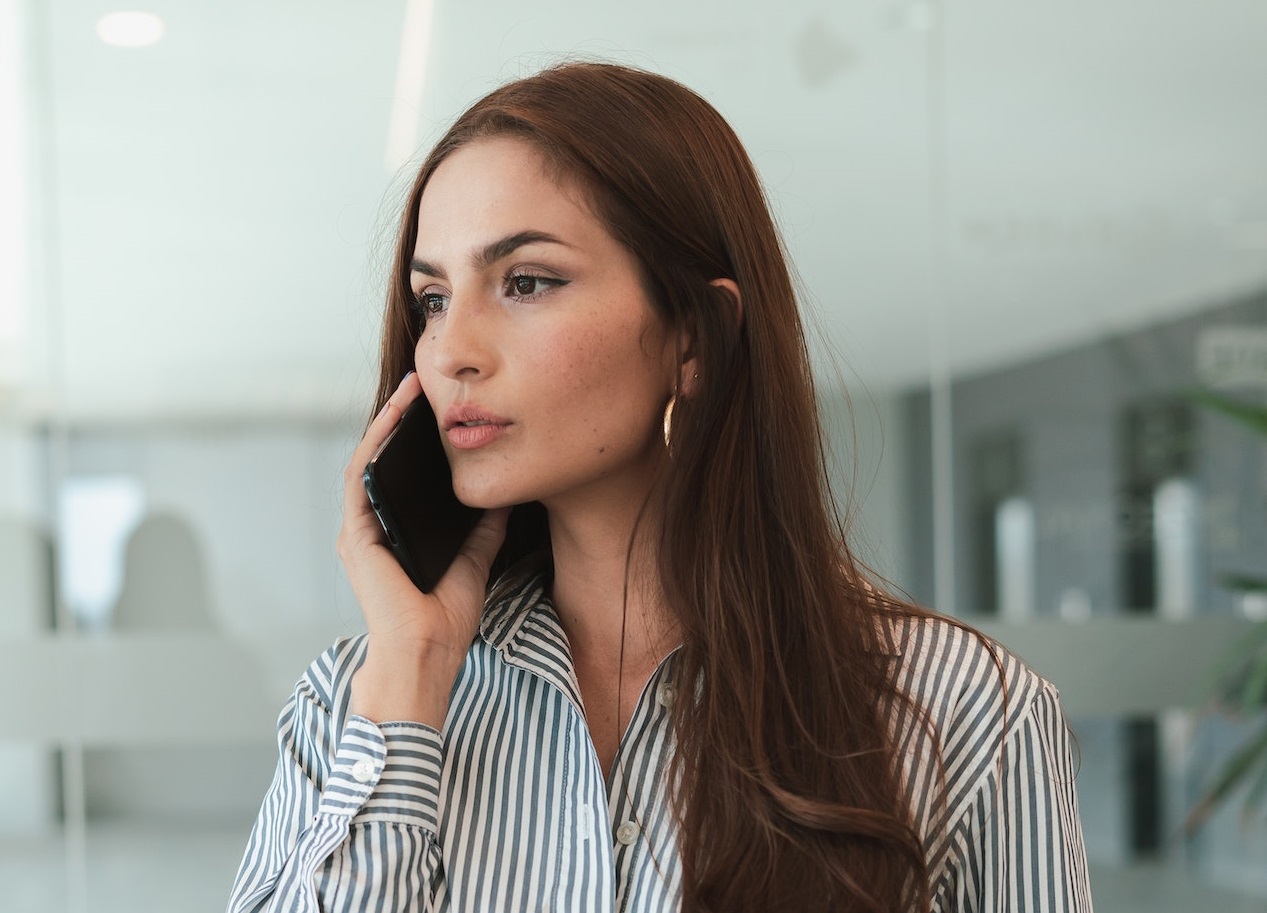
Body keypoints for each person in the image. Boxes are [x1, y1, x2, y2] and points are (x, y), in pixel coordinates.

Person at [227, 62, 1092, 912]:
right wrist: (409, 680)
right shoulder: (352, 704)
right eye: (432, 298)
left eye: (526, 282)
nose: (452, 349)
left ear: (693, 338)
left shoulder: (963, 712)